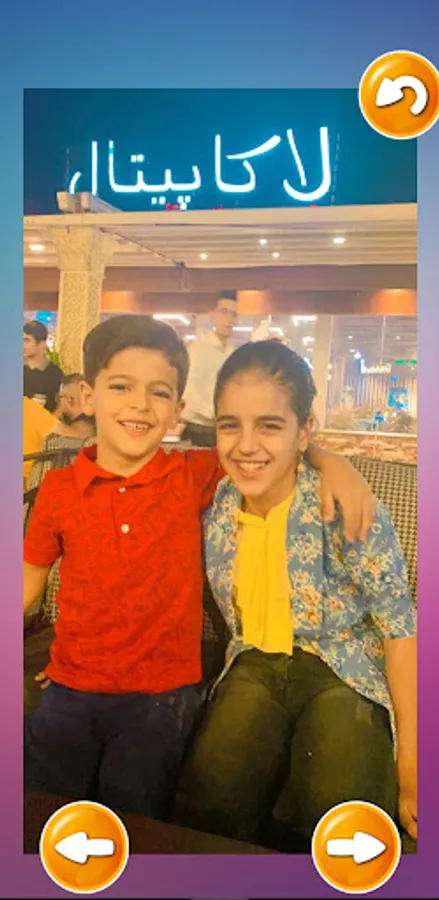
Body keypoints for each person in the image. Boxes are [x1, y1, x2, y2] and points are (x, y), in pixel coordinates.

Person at [23, 315, 375, 819]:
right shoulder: (59, 489)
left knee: (135, 817)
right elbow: (26, 588)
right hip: (70, 687)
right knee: (39, 812)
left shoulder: (191, 474)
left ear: (178, 411)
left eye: (159, 393)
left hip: (160, 696)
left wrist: (333, 461)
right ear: (88, 396)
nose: (140, 404)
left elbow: (265, 447)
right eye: (121, 386)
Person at [177, 341, 417, 850]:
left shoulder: (344, 506)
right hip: (252, 662)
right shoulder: (214, 497)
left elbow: (401, 628)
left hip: (343, 669)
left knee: (343, 812)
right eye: (229, 425)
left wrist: (414, 758)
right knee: (207, 805)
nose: (246, 445)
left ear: (304, 431)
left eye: (269, 425)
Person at [181, 292, 238, 446]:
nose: (229, 319)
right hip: (198, 429)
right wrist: (213, 413)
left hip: (224, 428)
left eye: (234, 314)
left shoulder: (233, 354)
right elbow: (187, 390)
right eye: (224, 312)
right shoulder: (196, 350)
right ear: (213, 315)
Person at [23, 319, 63, 413]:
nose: (23, 345)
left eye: (27, 340)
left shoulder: (55, 374)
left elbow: (62, 405)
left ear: (41, 344)